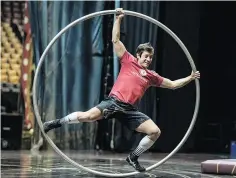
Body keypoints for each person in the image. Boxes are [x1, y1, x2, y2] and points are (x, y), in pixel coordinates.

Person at [43, 8, 200, 172]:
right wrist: (118, 19)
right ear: (138, 55)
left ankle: (133, 157)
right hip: (114, 102)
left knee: (154, 131)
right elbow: (115, 40)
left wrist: (190, 78)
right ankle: (55, 123)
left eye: (150, 57)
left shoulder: (152, 76)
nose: (148, 59)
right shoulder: (128, 60)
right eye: (145, 56)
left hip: (130, 110)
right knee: (87, 116)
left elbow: (172, 84)